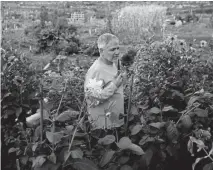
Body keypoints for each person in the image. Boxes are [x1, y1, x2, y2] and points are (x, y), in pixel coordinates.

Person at [84, 33, 126, 130]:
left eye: (117, 48)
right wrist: (114, 86)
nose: (117, 52)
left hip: (114, 121)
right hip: (103, 125)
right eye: (112, 49)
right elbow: (92, 99)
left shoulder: (113, 63)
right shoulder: (96, 70)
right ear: (101, 51)